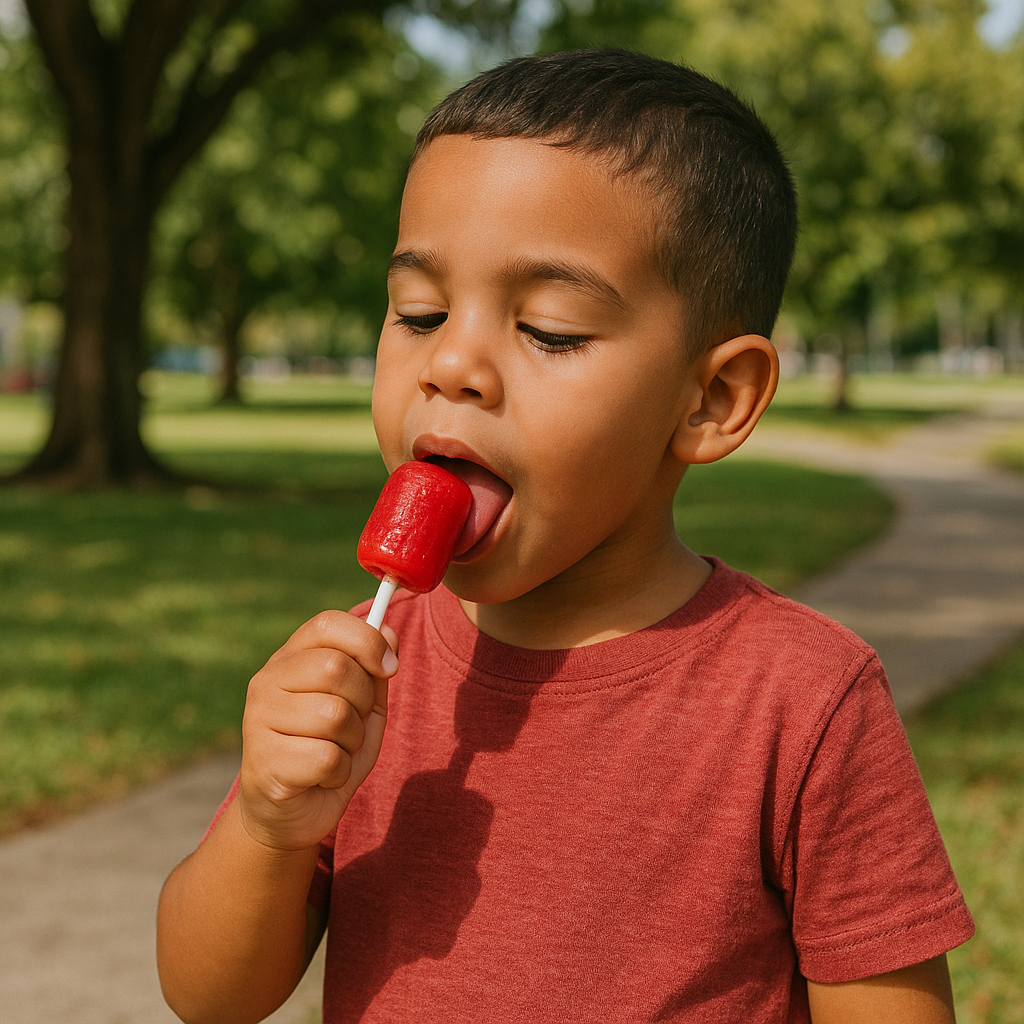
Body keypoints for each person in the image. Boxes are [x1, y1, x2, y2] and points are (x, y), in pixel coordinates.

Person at [156, 49, 974, 1023]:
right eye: (418, 311)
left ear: (710, 398)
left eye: (548, 328)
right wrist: (269, 822)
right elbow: (207, 997)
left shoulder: (802, 702)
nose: (452, 361)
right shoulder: (370, 672)